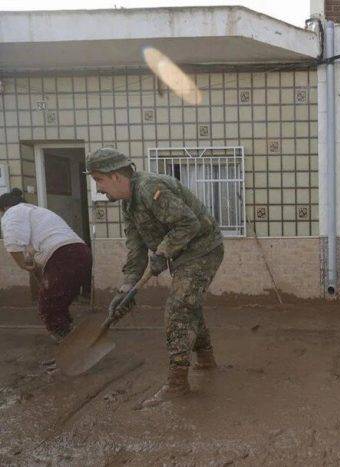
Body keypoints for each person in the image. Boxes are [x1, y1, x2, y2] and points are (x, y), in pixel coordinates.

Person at [85, 147, 224, 408]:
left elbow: (188, 223)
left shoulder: (150, 188)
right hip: (182, 254)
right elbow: (136, 248)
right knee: (188, 302)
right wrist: (125, 288)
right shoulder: (130, 205)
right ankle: (205, 358)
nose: (99, 189)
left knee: (178, 307)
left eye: (99, 180)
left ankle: (177, 384)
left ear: (115, 176)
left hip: (203, 249)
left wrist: (162, 252)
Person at [0, 188, 92, 342]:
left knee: (47, 304)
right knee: (59, 301)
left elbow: (13, 243)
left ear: (4, 208)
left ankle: (66, 341)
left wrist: (21, 264)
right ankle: (69, 333)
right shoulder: (38, 212)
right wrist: (40, 276)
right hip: (81, 252)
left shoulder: (13, 212)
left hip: (63, 255)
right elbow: (38, 260)